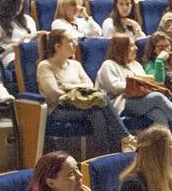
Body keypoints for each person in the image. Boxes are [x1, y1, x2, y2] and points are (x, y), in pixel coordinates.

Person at [38, 29, 134, 157]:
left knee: (97, 112)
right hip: (59, 109)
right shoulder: (45, 65)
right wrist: (78, 92)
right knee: (100, 100)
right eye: (70, 41)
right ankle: (124, 139)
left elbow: (89, 85)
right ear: (58, 46)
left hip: (83, 105)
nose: (75, 44)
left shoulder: (75, 64)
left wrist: (67, 86)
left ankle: (105, 155)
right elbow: (54, 94)